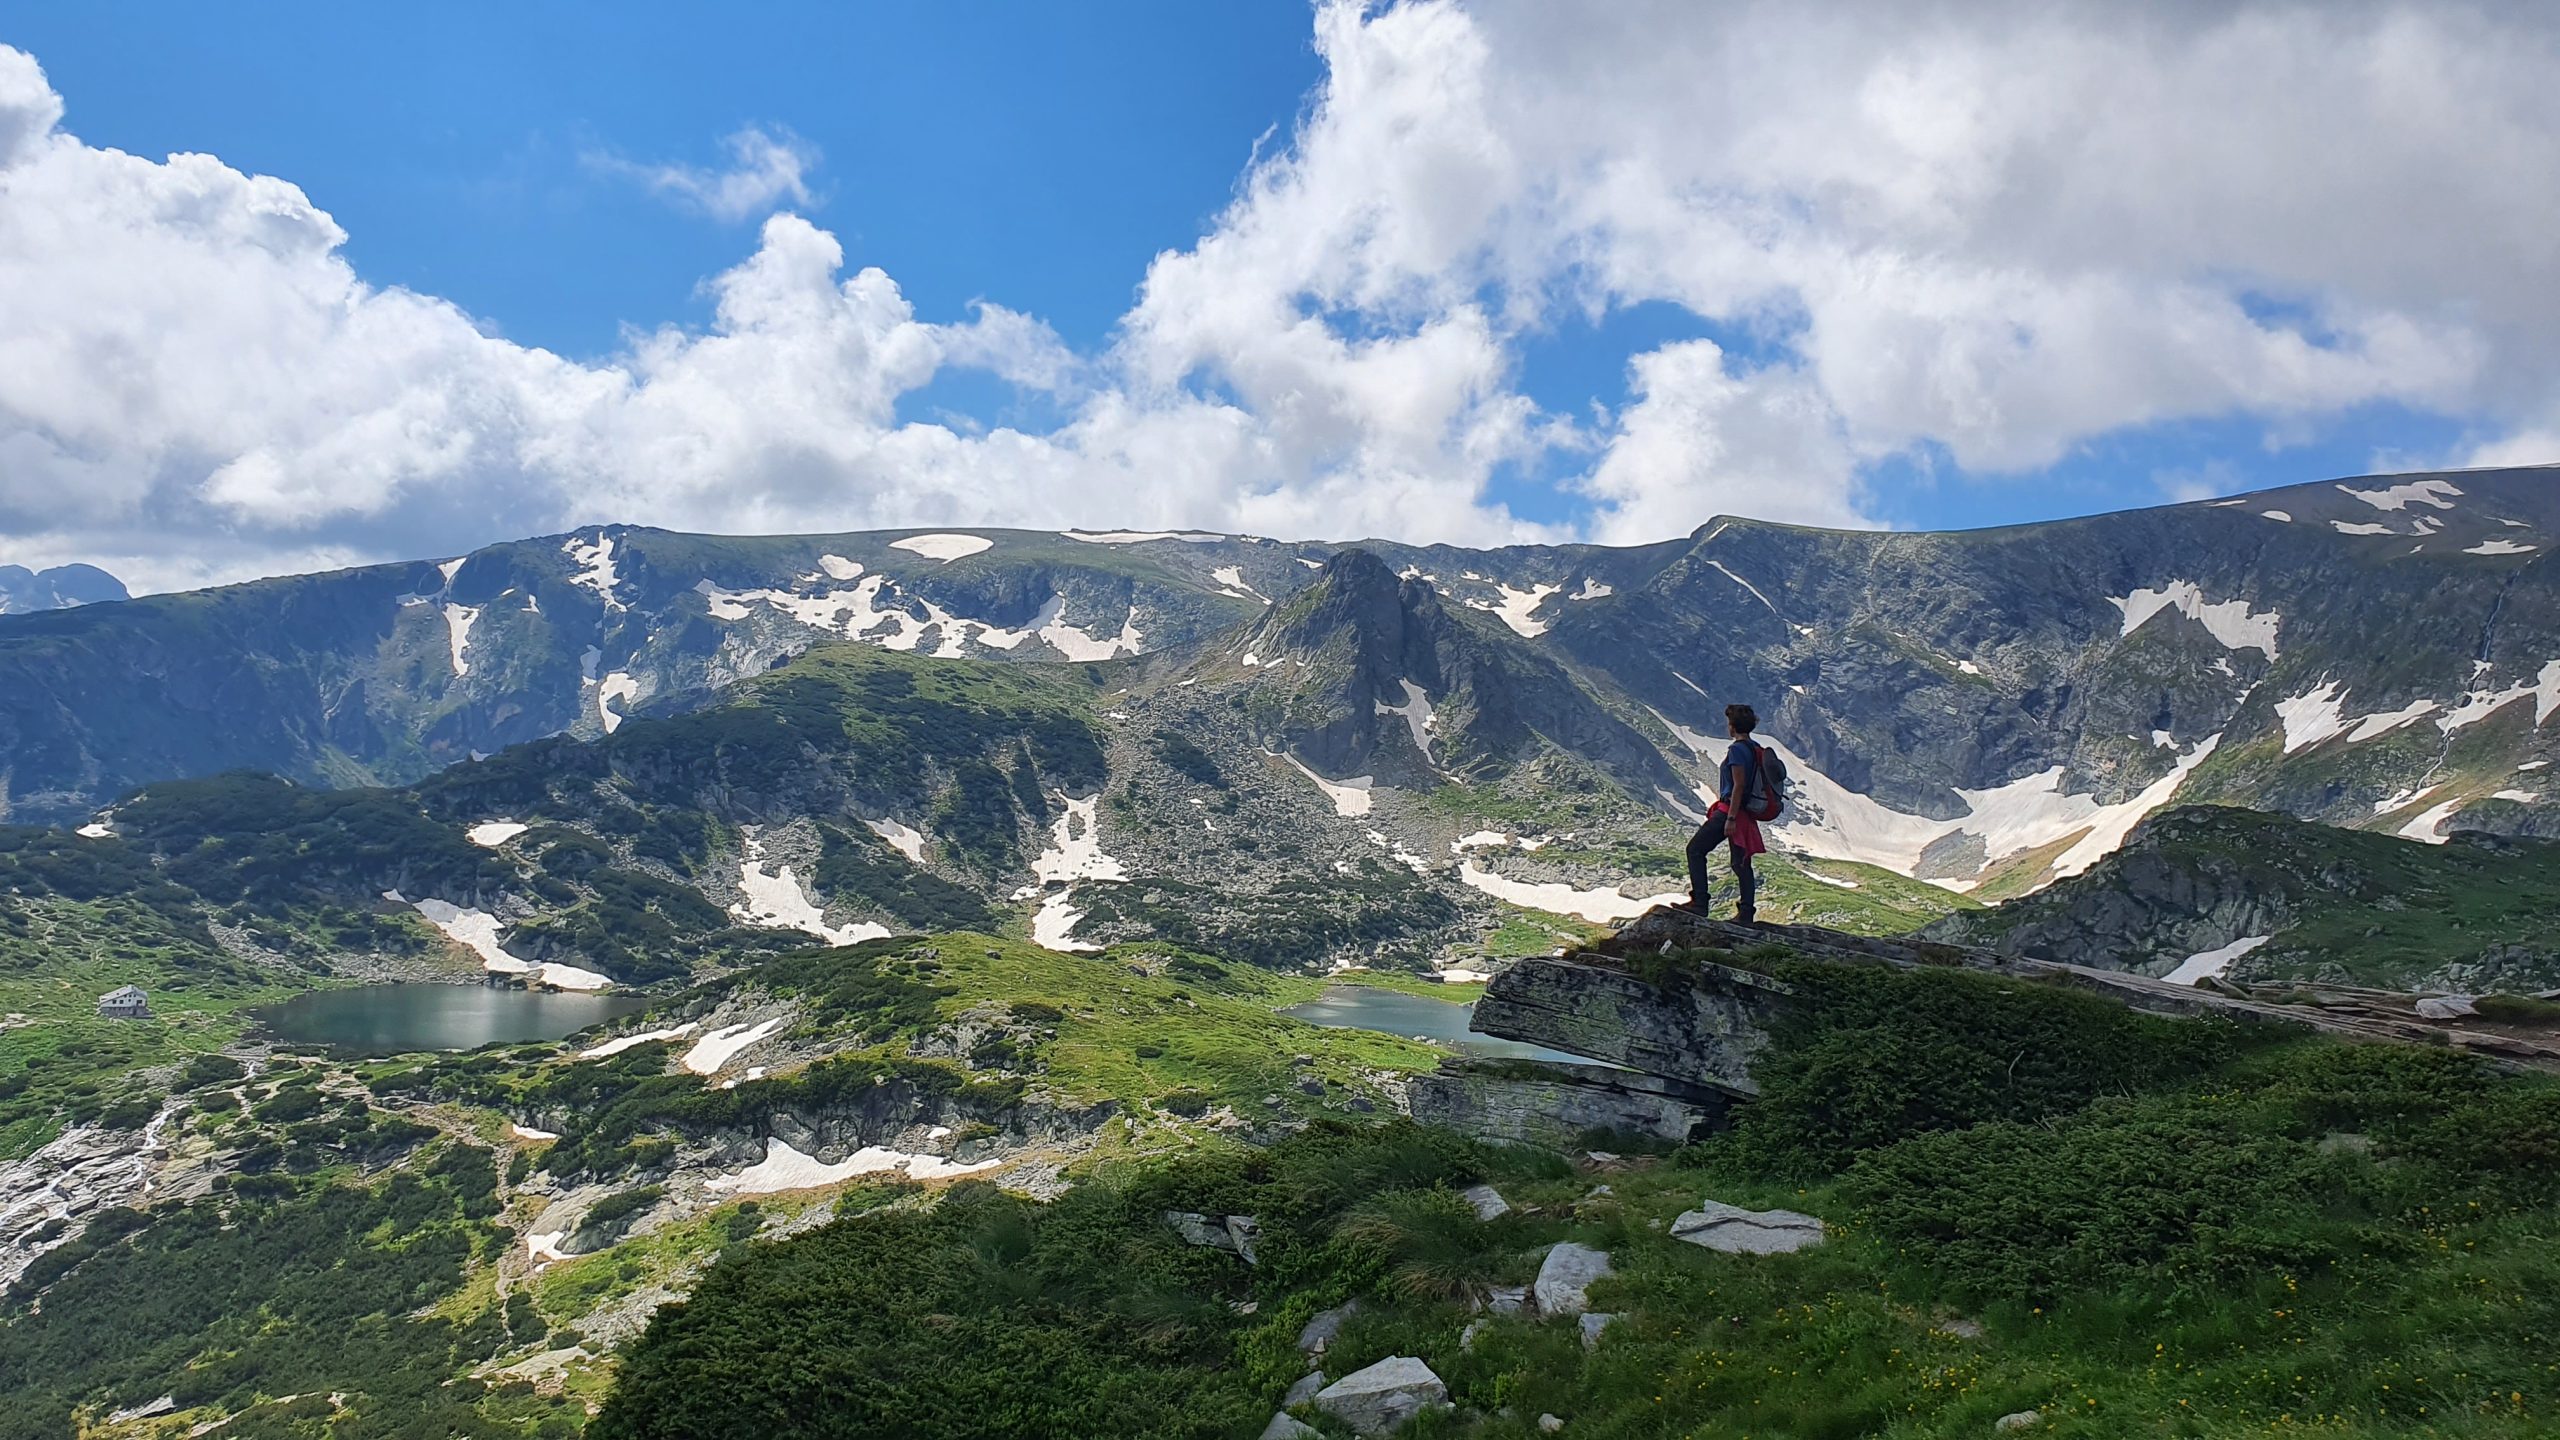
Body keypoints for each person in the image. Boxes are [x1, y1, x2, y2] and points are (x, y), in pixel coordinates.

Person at [1683, 703, 1775, 923]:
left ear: (1732, 726)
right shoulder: (1755, 748)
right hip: (1744, 814)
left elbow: (1739, 784)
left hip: (1730, 811)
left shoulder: (1737, 749)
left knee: (1695, 850)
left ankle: (1700, 903)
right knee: (1740, 863)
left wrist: (1731, 818)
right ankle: (1746, 913)